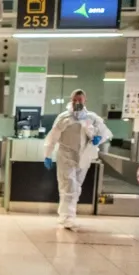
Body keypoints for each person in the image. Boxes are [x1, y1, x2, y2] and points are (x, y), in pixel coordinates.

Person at [44, 89, 112, 230]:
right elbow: (53, 137)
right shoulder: (64, 118)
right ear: (71, 100)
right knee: (68, 185)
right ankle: (67, 217)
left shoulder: (91, 118)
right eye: (75, 100)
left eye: (79, 100)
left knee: (76, 187)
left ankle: (66, 216)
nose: (77, 102)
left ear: (84, 100)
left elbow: (105, 133)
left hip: (84, 157)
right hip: (66, 155)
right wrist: (47, 154)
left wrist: (99, 138)